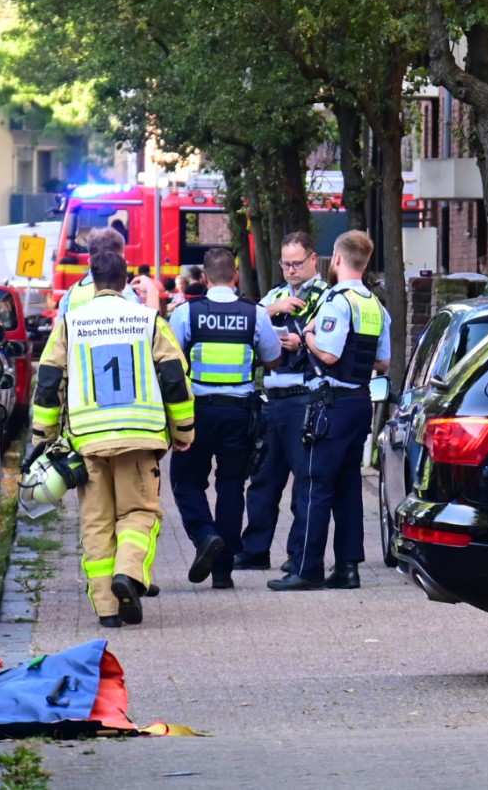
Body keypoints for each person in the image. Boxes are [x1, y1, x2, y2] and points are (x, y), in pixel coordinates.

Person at [28, 250, 195, 628]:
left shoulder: (71, 323)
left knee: (96, 522)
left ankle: (107, 610)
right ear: (124, 282)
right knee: (139, 513)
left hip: (88, 441)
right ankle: (129, 572)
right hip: (139, 439)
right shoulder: (148, 320)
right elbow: (174, 377)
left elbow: (49, 382)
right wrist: (184, 431)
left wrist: (44, 437)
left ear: (92, 278)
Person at [269, 230, 390, 592]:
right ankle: (348, 567)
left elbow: (329, 354)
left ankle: (306, 569)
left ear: (336, 259)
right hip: (360, 402)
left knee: (314, 483)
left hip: (331, 405)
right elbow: (383, 362)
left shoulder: (338, 301)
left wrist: (307, 335)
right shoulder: (374, 304)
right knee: (348, 485)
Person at [167, 248, 282, 589]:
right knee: (231, 487)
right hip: (240, 412)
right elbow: (273, 359)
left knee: (185, 482)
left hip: (197, 412)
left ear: (203, 278)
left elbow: (172, 364)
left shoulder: (187, 313)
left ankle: (204, 536)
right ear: (236, 277)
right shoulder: (255, 313)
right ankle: (223, 571)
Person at [236, 232, 330, 571]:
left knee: (305, 483)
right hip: (272, 398)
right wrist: (272, 308)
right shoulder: (275, 294)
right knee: (262, 479)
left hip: (305, 397)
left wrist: (300, 342)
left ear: (313, 260)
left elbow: (333, 342)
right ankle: (255, 550)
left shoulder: (326, 297)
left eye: (296, 263)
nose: (290, 270)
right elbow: (249, 322)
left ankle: (296, 556)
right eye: (285, 263)